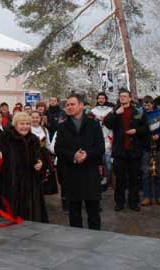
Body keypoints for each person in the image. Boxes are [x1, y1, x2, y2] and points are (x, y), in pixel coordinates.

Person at [54, 94, 105, 230]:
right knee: (74, 214)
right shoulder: (62, 127)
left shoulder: (93, 125)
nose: (69, 107)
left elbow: (100, 147)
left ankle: (95, 237)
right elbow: (58, 148)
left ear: (81, 105)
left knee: (93, 212)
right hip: (72, 173)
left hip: (90, 172)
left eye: (72, 104)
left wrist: (87, 154)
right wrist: (73, 156)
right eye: (67, 105)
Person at [0, 112, 48, 222]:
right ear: (15, 124)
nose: (25, 126)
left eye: (27, 124)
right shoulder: (5, 136)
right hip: (11, 182)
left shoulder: (34, 139)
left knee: (30, 217)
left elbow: (39, 155)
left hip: (30, 183)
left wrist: (40, 162)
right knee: (11, 217)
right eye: (22, 124)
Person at [104, 90, 149, 212]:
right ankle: (119, 202)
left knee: (134, 178)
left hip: (134, 150)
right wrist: (115, 113)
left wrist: (136, 131)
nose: (122, 98)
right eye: (121, 96)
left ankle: (133, 203)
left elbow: (146, 127)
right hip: (120, 150)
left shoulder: (138, 111)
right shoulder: (115, 110)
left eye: (125, 96)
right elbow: (107, 124)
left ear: (130, 98)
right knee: (120, 179)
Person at [141, 96, 160, 207]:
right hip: (145, 148)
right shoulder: (140, 115)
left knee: (159, 173)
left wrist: (159, 135)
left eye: (148, 104)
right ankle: (147, 196)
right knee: (145, 173)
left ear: (152, 104)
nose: (146, 106)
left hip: (157, 148)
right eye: (144, 104)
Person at [31, 111, 58, 195]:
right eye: (33, 117)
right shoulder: (27, 128)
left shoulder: (44, 129)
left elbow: (48, 144)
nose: (35, 119)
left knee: (44, 178)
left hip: (44, 156)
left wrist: (57, 150)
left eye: (37, 117)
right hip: (32, 154)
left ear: (40, 118)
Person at [90, 93, 114, 189]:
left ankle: (109, 182)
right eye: (99, 98)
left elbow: (112, 125)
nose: (101, 100)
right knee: (97, 163)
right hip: (96, 139)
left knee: (108, 162)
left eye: (103, 98)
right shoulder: (93, 111)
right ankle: (97, 181)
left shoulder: (110, 111)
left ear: (105, 99)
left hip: (108, 138)